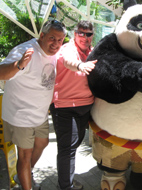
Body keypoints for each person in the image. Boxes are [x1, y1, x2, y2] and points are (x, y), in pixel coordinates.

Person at [0, 20, 67, 190]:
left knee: (42, 144)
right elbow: (1, 73)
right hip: (20, 113)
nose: (56, 44)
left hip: (39, 114)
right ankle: (26, 185)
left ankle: (23, 174)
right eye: (52, 38)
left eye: (60, 40)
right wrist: (19, 65)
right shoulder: (25, 51)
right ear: (42, 35)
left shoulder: (55, 53)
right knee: (25, 154)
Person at [49, 20, 97, 190]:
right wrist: (80, 65)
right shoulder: (68, 49)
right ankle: (65, 186)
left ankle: (65, 180)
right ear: (75, 34)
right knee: (67, 149)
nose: (84, 37)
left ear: (93, 36)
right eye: (81, 33)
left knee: (73, 145)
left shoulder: (93, 52)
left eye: (88, 34)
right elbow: (68, 61)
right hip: (65, 107)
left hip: (86, 107)